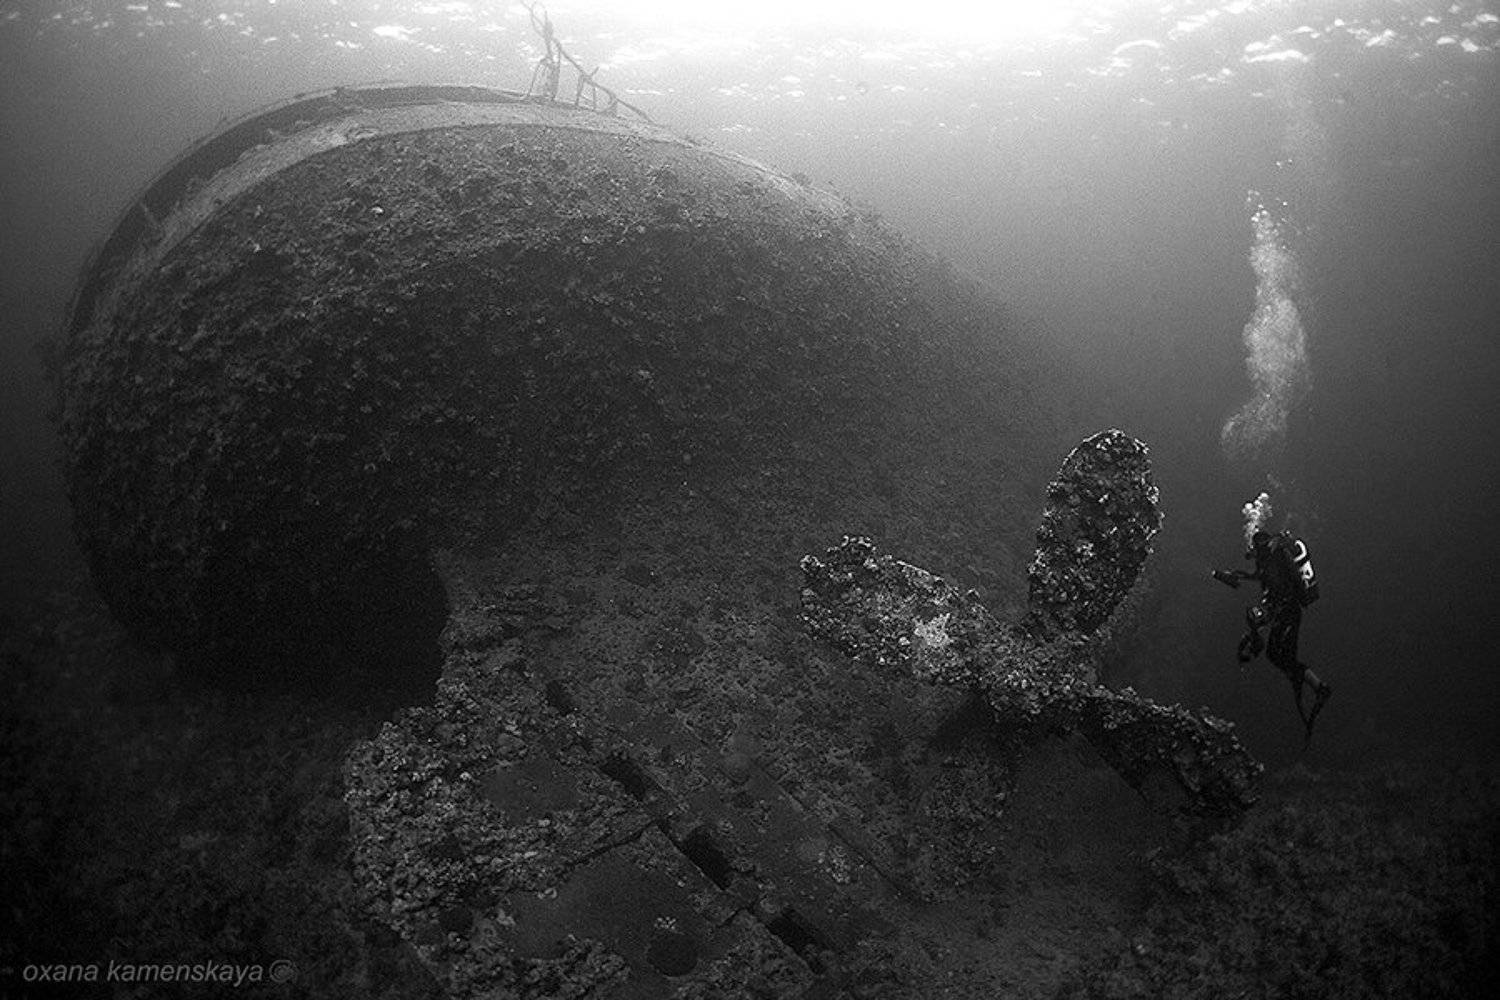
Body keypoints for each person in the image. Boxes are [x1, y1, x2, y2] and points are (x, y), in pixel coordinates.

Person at [1213, 516, 1332, 745]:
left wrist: (1262, 616)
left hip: (1289, 614)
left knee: (1280, 656)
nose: (1254, 556)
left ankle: (1319, 688)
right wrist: (1229, 575)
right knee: (1279, 657)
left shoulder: (1272, 562)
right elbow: (1260, 580)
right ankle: (1314, 686)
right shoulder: (1270, 563)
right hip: (1287, 614)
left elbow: (1277, 594)